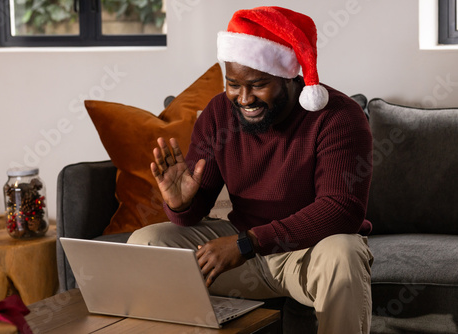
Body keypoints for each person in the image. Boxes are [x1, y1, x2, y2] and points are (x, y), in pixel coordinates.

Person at [128, 6, 374, 334]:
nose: (244, 98)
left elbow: (341, 210)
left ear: (289, 76)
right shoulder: (219, 113)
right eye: (233, 84)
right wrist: (181, 203)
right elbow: (193, 216)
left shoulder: (338, 117)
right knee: (146, 241)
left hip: (309, 254)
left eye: (258, 85)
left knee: (344, 252)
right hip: (244, 250)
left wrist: (248, 243)